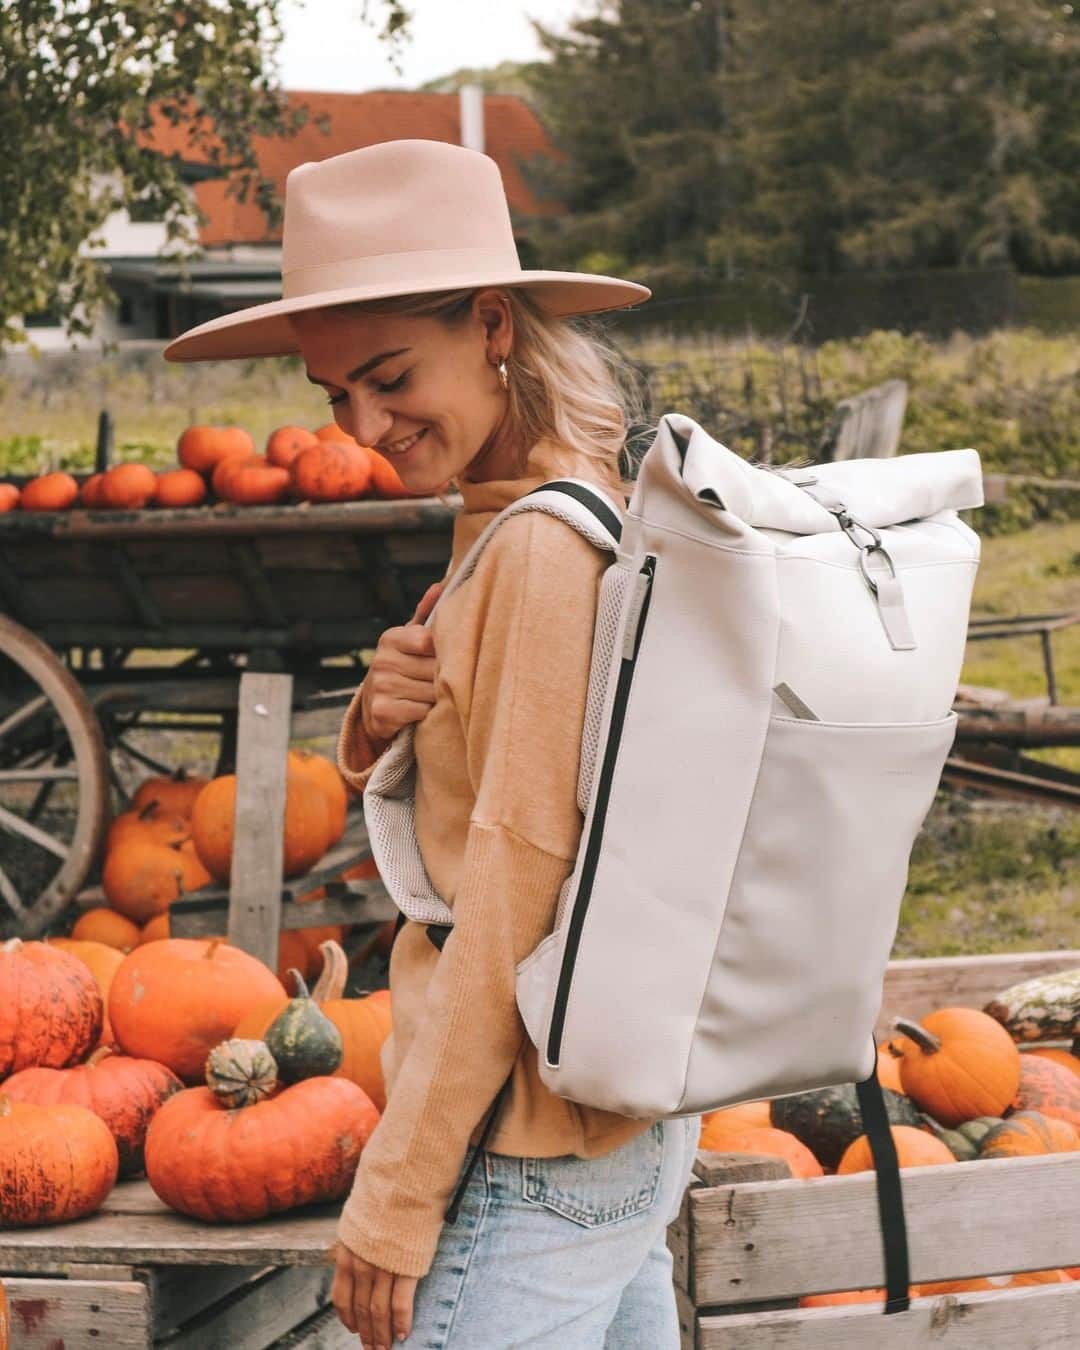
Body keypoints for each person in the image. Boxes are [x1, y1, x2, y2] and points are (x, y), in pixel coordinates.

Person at [164, 138, 702, 1350]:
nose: (363, 426)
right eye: (334, 396)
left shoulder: (537, 553)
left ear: (495, 324)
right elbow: (493, 795)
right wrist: (379, 711)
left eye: (391, 375)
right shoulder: (548, 510)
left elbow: (511, 885)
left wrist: (395, 1197)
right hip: (616, 1128)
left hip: (520, 1143)